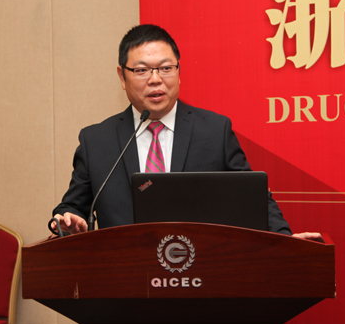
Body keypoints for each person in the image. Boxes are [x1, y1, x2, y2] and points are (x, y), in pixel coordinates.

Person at [51, 24, 320, 240]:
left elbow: (251, 197)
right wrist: (68, 220)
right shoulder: (97, 141)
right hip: (126, 278)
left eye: (166, 68)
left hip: (202, 275)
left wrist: (285, 239)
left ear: (179, 72)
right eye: (142, 70)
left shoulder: (214, 131)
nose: (156, 79)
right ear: (122, 76)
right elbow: (73, 208)